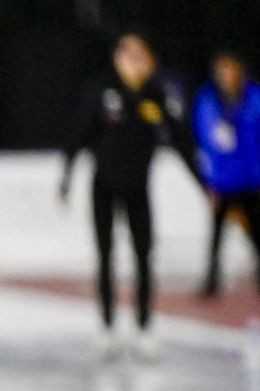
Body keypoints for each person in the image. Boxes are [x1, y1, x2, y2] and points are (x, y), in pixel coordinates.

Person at [61, 33, 203, 361]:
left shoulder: (156, 93)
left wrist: (202, 183)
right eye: (128, 52)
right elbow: (79, 133)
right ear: (117, 56)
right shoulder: (101, 90)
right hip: (104, 187)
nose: (134, 59)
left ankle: (143, 329)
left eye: (141, 53)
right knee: (106, 258)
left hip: (138, 187)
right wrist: (66, 177)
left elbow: (181, 140)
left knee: (144, 259)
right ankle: (108, 328)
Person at [192, 51, 260, 297]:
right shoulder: (209, 100)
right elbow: (204, 133)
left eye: (230, 69)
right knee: (217, 232)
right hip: (222, 179)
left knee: (258, 230)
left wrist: (258, 158)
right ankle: (212, 279)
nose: (226, 75)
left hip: (250, 176)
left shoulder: (255, 97)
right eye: (221, 69)